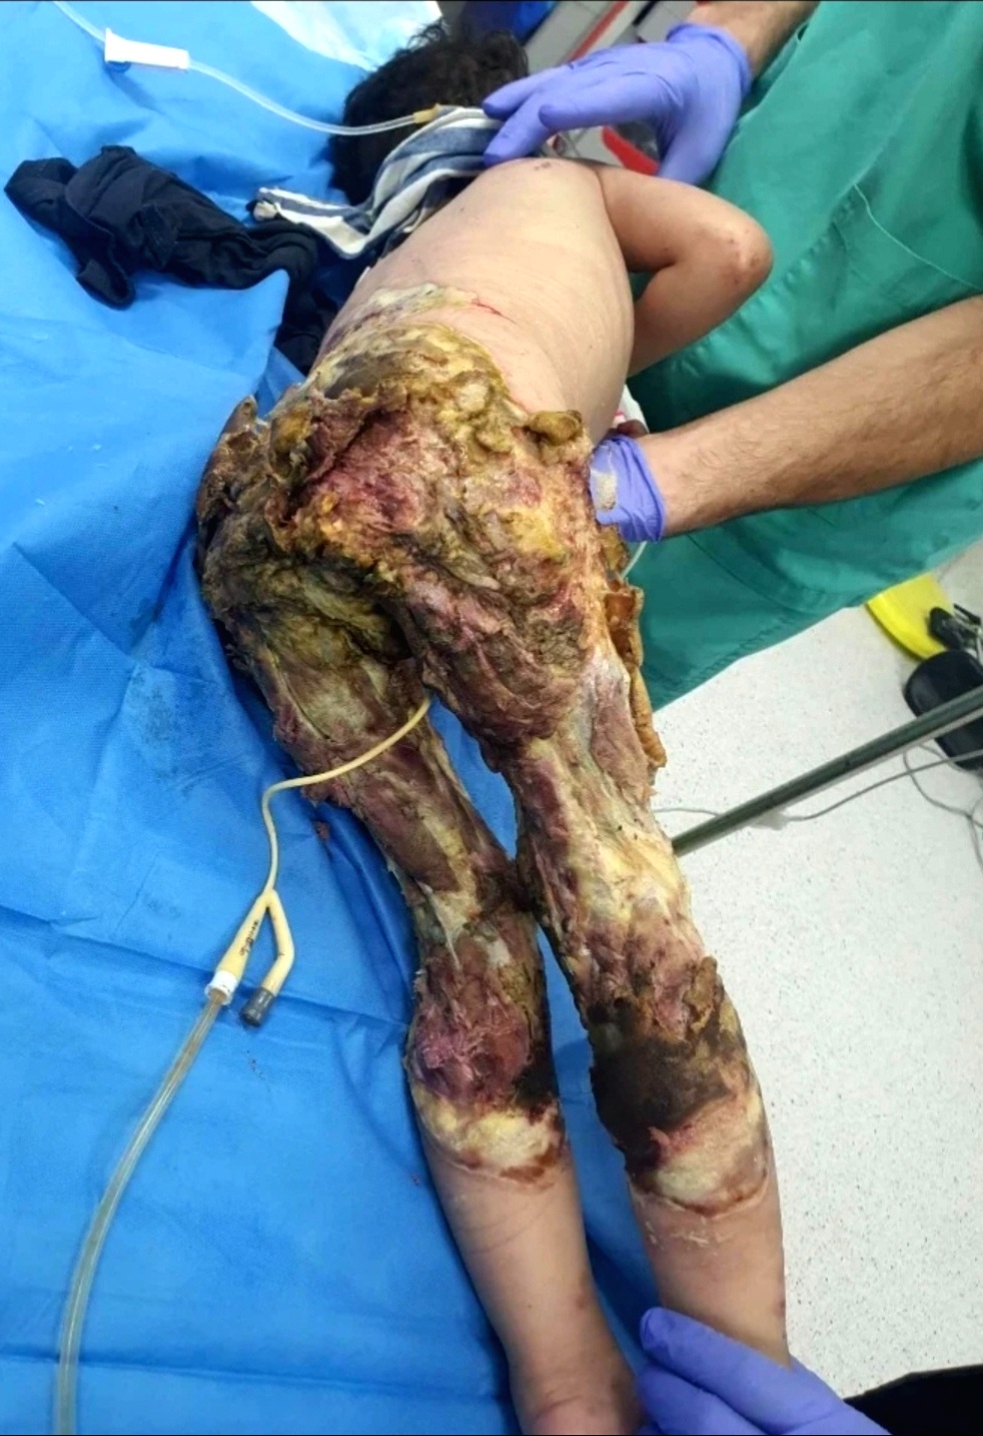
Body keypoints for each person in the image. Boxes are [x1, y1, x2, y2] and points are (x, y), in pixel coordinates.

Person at [200, 21, 793, 1436]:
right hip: (476, 458)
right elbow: (732, 253)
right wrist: (606, 361)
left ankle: (562, 1378)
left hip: (274, 489)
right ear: (537, 119)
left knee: (461, 918)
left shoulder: (405, 227)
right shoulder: (570, 178)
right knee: (622, 918)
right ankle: (750, 1373)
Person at [484, 0, 983, 709]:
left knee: (517, 701)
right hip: (766, 169)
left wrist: (683, 477)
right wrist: (728, 34)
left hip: (848, 454)